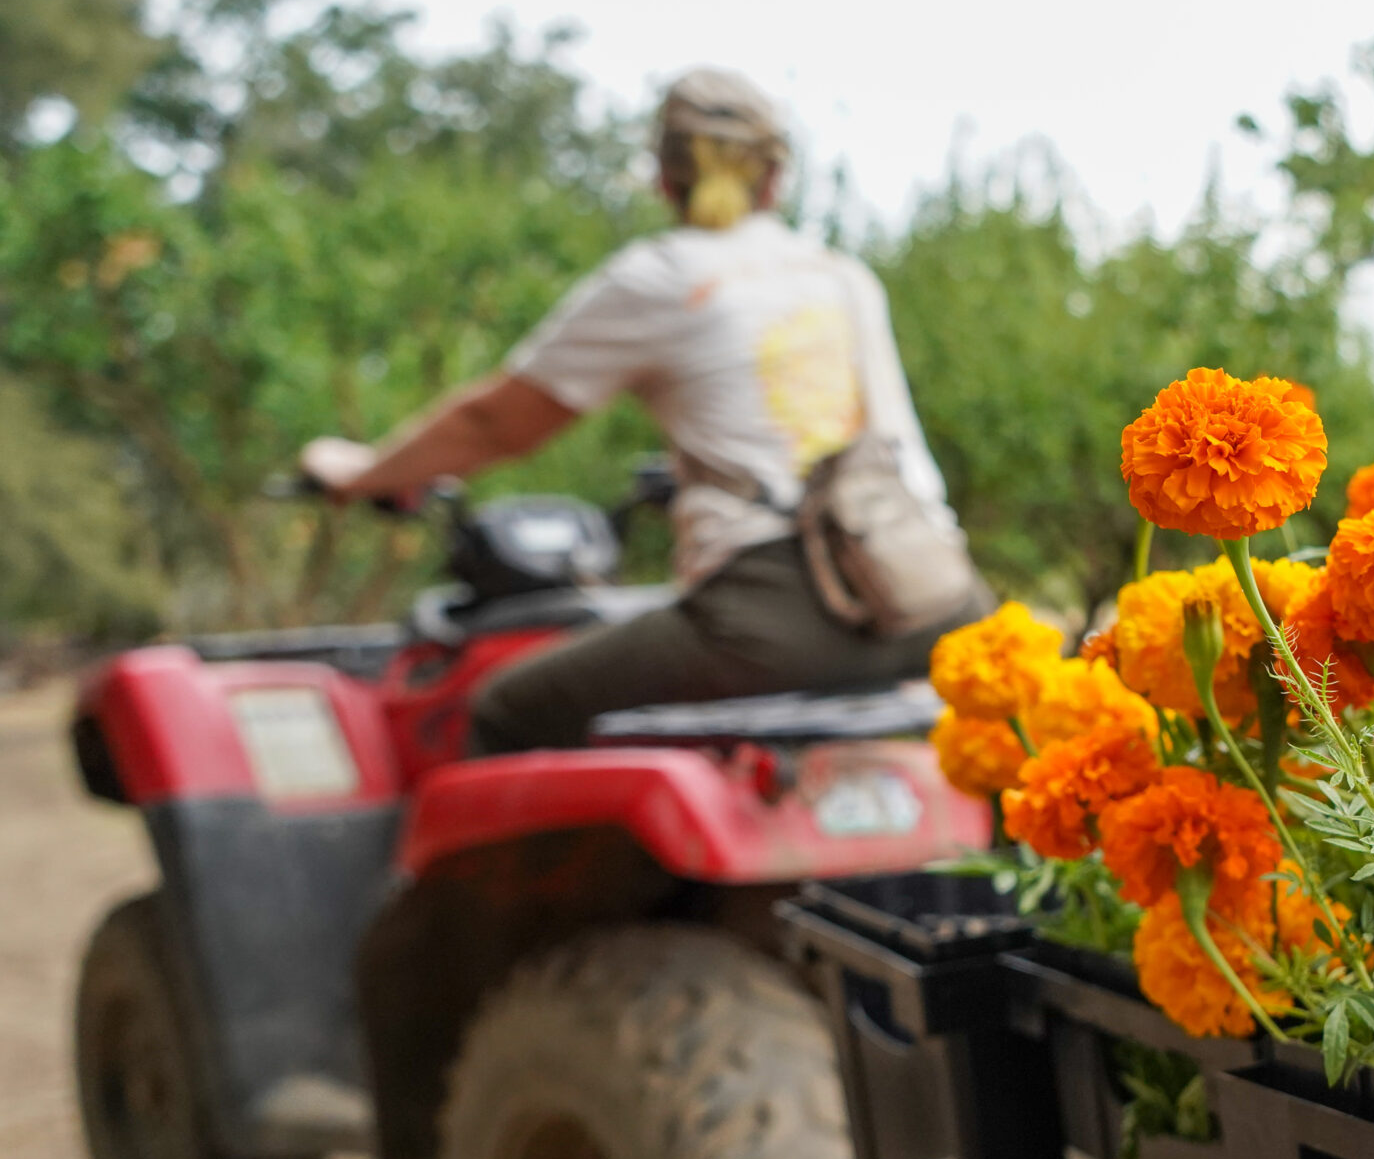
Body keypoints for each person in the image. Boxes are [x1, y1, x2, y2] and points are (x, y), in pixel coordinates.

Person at [301, 66, 984, 754]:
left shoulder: (664, 277)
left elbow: (495, 423)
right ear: (775, 180)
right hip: (935, 602)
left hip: (776, 620)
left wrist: (363, 473)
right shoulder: (843, 276)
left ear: (664, 177)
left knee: (505, 709)